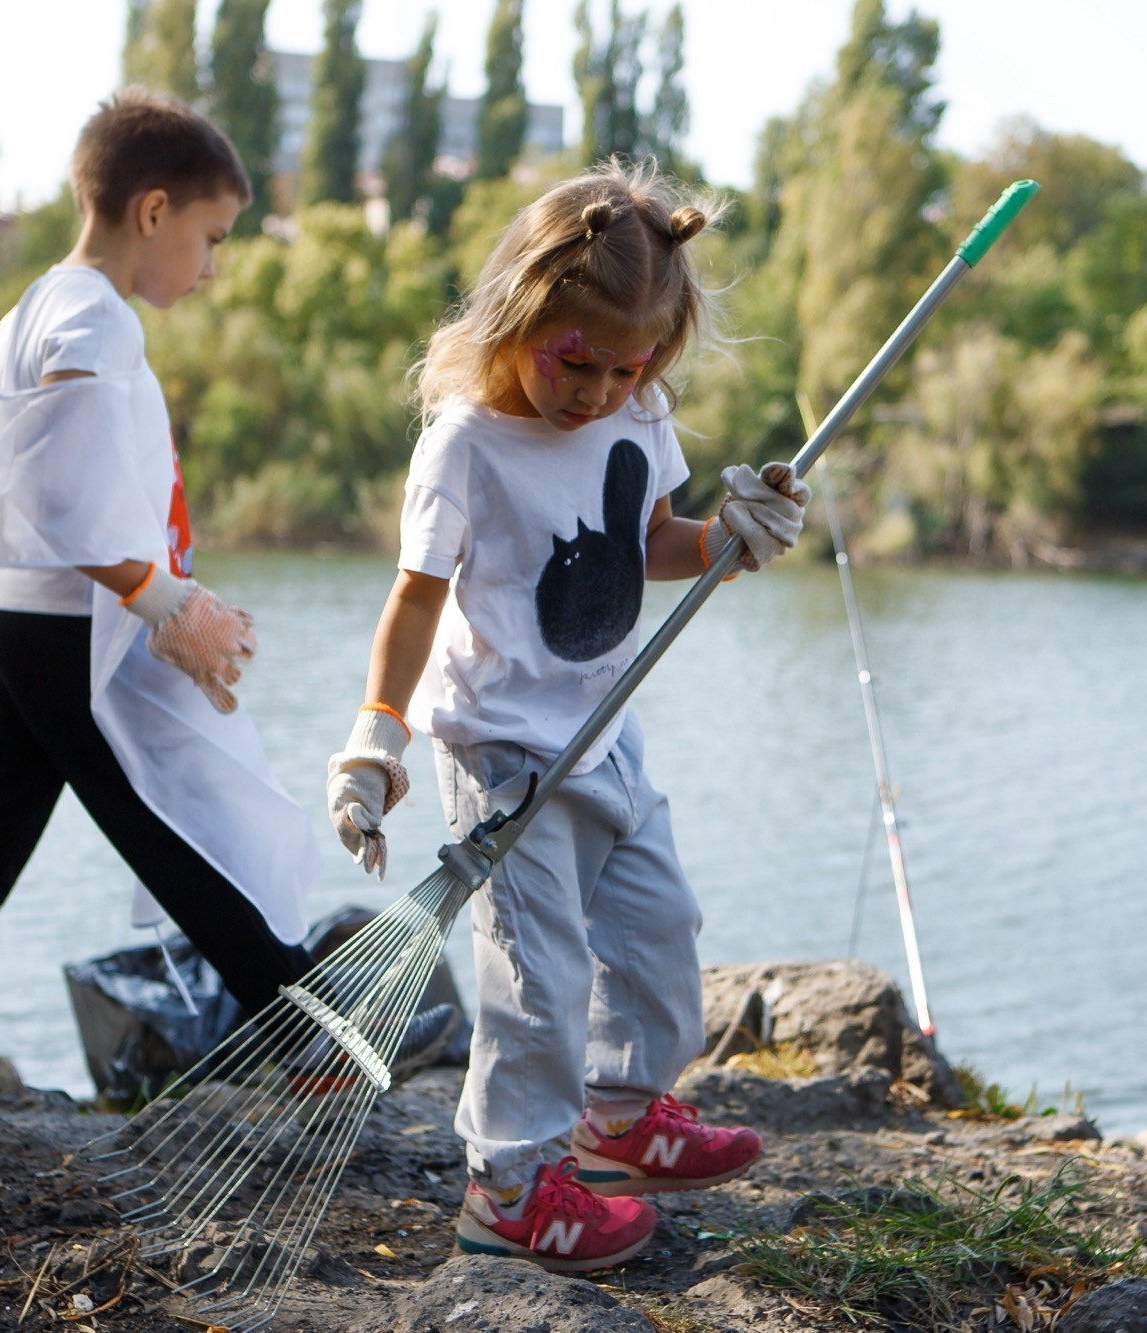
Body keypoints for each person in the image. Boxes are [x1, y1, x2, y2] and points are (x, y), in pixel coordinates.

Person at [0, 91, 447, 1141]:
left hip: (13, 618)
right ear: (153, 212)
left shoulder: (49, 301)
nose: (215, 265)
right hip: (61, 628)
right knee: (162, 810)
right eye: (212, 237)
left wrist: (164, 590)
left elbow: (59, 483)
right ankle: (295, 1032)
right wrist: (166, 600)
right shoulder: (94, 317)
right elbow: (59, 494)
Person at [323, 163, 809, 1273]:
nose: (593, 391)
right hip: (499, 748)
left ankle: (620, 1120)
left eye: (626, 366)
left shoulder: (635, 410)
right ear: (514, 317)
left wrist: (735, 535)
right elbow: (416, 596)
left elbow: (656, 545)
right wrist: (374, 731)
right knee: (533, 976)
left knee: (656, 926)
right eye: (572, 360)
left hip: (606, 723)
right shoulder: (463, 445)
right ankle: (504, 1188)